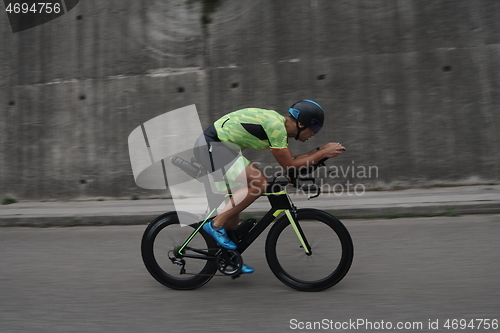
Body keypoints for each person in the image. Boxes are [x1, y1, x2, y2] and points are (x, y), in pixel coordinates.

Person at [194, 100, 345, 274]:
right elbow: (289, 165)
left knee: (232, 216)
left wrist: (319, 151)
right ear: (302, 123)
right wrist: (322, 153)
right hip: (212, 145)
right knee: (259, 183)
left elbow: (292, 160)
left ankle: (228, 257)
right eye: (315, 128)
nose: (314, 134)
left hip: (220, 148)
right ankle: (214, 225)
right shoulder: (276, 126)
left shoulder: (279, 127)